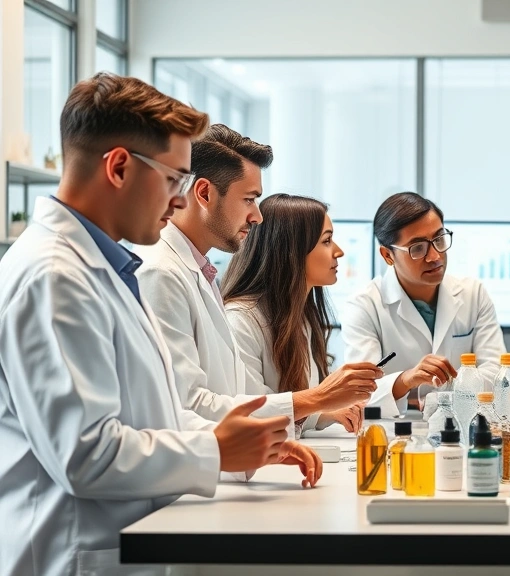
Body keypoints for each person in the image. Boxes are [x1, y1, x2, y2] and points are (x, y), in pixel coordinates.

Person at [0, 73, 320, 576]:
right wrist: (214, 448)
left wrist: (249, 444)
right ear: (120, 167)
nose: (180, 199)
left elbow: (153, 414)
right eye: (173, 178)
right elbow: (86, 455)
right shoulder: (53, 277)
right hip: (76, 555)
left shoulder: (106, 267)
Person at [135, 124, 379, 435]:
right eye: (249, 199)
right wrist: (318, 399)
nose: (258, 216)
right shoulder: (161, 274)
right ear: (205, 193)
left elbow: (238, 397)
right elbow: (186, 405)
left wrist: (318, 407)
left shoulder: (200, 271)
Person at [342, 192, 506, 417]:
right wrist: (407, 379)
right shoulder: (364, 306)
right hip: (395, 431)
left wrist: (439, 397)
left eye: (439, 239)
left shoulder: (472, 294)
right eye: (418, 248)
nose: (435, 256)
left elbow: (498, 374)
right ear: (388, 255)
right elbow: (360, 392)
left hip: (462, 425)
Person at [223, 194, 371, 433]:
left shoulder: (301, 315)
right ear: (291, 250)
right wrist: (322, 398)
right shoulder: (241, 319)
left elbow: (290, 406)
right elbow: (252, 415)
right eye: (327, 241)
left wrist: (326, 412)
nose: (339, 252)